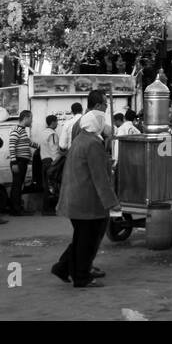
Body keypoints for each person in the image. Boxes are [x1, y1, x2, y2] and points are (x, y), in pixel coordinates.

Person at [52, 110, 118, 288]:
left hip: (76, 197)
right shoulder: (93, 143)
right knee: (87, 240)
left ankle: (63, 268)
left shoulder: (81, 139)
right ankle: (81, 277)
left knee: (82, 238)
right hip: (86, 200)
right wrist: (112, 202)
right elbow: (100, 177)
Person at [7, 110, 34, 216]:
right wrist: (14, 163)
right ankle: (15, 210)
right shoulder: (16, 130)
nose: (32, 120)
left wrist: (41, 146)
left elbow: (28, 142)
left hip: (22, 162)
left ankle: (17, 208)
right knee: (17, 186)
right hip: (18, 162)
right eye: (31, 118)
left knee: (19, 185)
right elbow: (11, 146)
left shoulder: (23, 131)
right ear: (26, 118)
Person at [41, 114, 62, 215]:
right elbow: (54, 150)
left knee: (46, 186)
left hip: (44, 161)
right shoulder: (52, 134)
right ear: (53, 122)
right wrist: (56, 163)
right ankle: (50, 209)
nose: (57, 123)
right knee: (52, 186)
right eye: (57, 122)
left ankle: (45, 209)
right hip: (51, 162)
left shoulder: (42, 133)